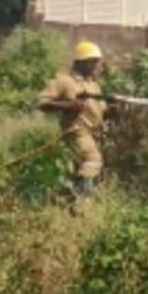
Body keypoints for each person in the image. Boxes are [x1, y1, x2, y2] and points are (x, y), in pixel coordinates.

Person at [37, 41, 118, 216]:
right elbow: (41, 103)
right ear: (82, 62)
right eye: (95, 62)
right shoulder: (64, 81)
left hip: (93, 133)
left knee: (77, 171)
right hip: (76, 132)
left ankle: (63, 202)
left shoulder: (93, 85)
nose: (99, 66)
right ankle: (81, 206)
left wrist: (113, 110)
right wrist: (67, 106)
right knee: (93, 159)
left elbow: (100, 112)